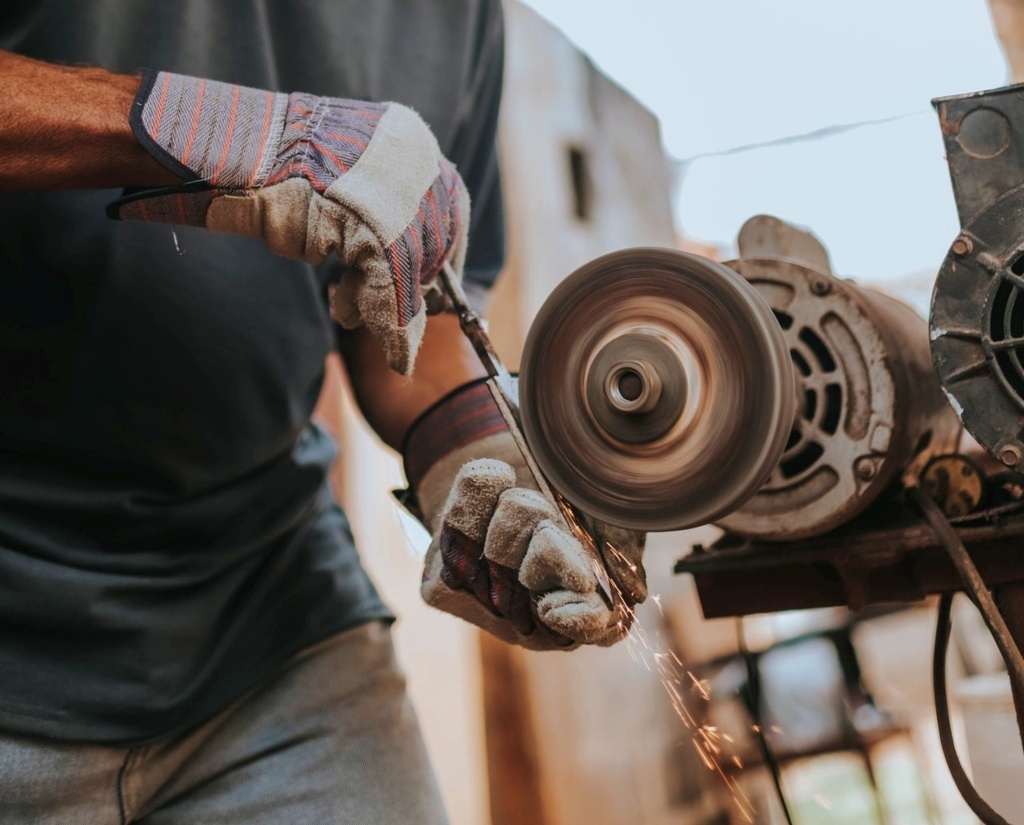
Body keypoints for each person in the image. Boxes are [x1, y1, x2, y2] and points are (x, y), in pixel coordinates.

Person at [0, 2, 646, 822]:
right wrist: (235, 131)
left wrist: (489, 473)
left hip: (273, 628)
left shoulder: (463, 20)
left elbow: (417, 327)